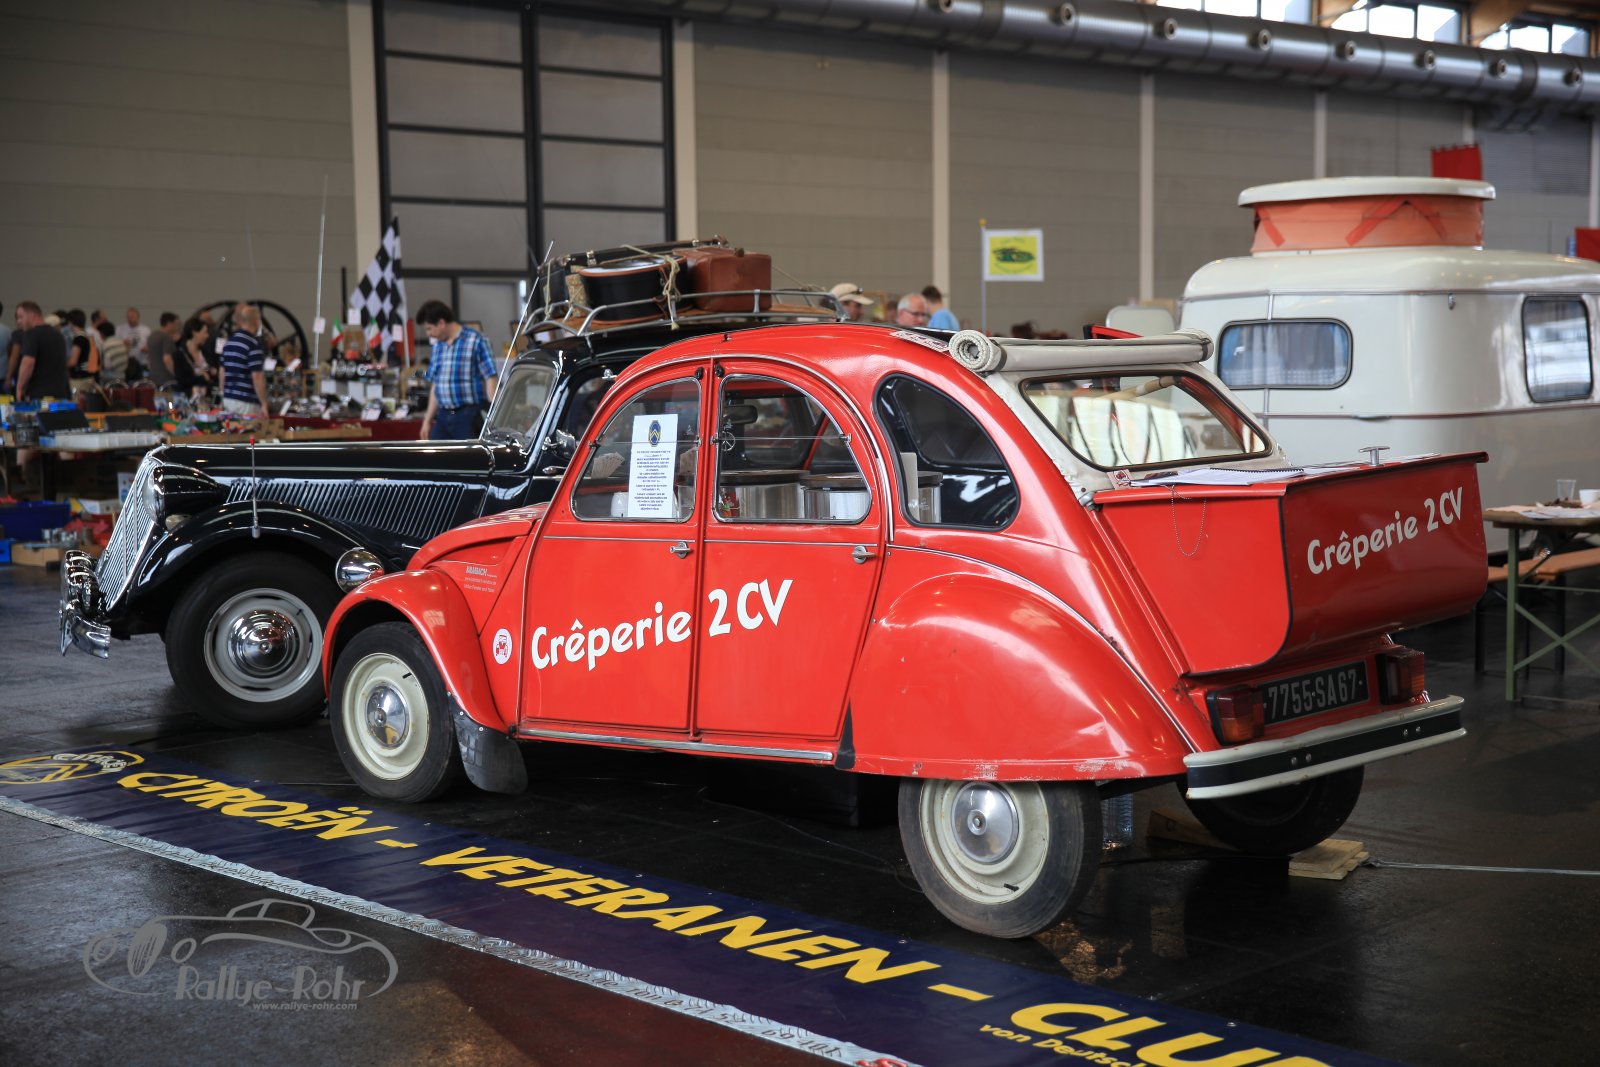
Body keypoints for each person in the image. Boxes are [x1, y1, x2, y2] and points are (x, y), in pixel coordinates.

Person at [417, 299, 498, 440]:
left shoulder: (476, 340)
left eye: (429, 328)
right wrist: (427, 420)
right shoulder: (438, 346)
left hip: (469, 416)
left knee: (468, 454)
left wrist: (493, 414)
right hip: (443, 416)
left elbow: (490, 377)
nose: (428, 334)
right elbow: (436, 384)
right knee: (435, 452)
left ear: (441, 323)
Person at [13, 301, 71, 402]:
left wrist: (19, 388)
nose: (18, 321)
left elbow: (28, 363)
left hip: (39, 396)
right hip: (60, 394)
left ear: (32, 315)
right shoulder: (58, 335)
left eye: (21, 317)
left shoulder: (32, 334)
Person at [219, 303, 270, 414]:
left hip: (228, 399)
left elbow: (222, 371)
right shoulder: (253, 344)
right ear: (256, 321)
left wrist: (222, 393)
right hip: (246, 402)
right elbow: (257, 376)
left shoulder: (229, 342)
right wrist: (264, 403)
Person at [173, 317, 212, 400]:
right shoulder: (180, 354)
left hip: (206, 399)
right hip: (188, 399)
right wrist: (201, 377)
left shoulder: (205, 352)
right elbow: (181, 380)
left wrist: (210, 371)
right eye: (204, 332)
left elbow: (208, 372)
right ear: (195, 333)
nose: (207, 336)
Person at [146, 312, 180, 387]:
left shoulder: (152, 336)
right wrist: (176, 374)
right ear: (169, 324)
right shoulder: (166, 338)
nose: (176, 327)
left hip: (153, 378)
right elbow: (167, 359)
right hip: (166, 380)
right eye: (175, 324)